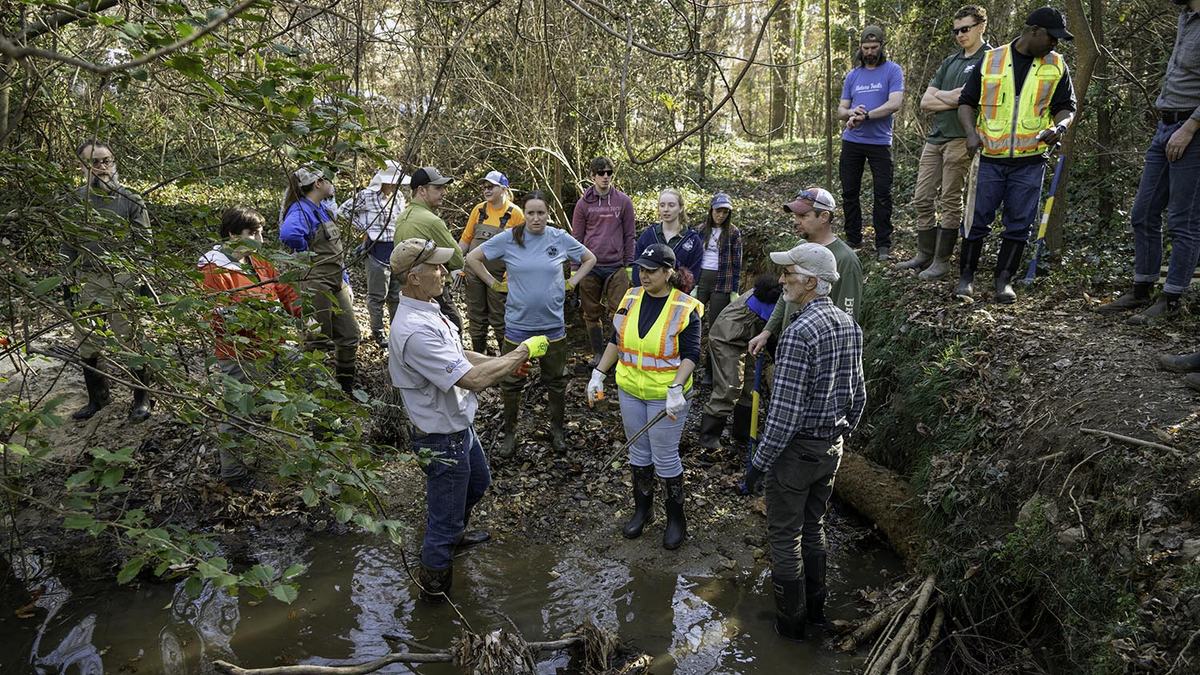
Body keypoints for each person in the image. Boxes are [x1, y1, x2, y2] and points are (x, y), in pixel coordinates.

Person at [388, 238, 550, 601]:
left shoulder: (428, 309)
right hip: (440, 437)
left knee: (478, 481)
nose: (444, 272)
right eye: (435, 267)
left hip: (458, 426)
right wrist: (520, 352)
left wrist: (503, 362)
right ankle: (433, 596)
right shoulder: (414, 330)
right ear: (414, 277)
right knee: (442, 524)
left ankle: (453, 533)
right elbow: (472, 379)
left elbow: (458, 355)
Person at [741, 243, 865, 642]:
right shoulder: (849, 325)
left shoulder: (798, 333)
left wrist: (758, 465)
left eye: (788, 274)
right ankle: (816, 614)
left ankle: (790, 628)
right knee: (814, 526)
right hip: (831, 448)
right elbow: (859, 394)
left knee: (784, 535)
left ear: (811, 282)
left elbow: (785, 415)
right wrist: (840, 435)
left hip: (796, 452)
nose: (781, 280)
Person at [955, 6, 1076, 303]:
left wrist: (1059, 127)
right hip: (990, 157)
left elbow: (1066, 107)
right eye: (1051, 37)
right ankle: (966, 278)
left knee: (1020, 224)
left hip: (1031, 160)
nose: (1054, 44)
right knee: (975, 220)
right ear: (1033, 31)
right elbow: (966, 102)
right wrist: (971, 133)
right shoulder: (991, 59)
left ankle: (1004, 281)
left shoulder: (1056, 65)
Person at [586, 244, 702, 551]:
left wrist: (677, 387)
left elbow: (691, 354)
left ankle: (676, 519)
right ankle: (643, 510)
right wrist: (599, 373)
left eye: (651, 270)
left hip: (666, 396)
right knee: (638, 452)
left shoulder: (685, 307)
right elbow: (616, 340)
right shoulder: (631, 297)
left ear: (668, 272)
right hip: (630, 390)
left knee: (665, 456)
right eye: (641, 269)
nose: (644, 275)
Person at [465, 190, 596, 456]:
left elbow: (589, 258)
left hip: (552, 326)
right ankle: (510, 434)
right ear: (523, 214)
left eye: (541, 213)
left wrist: (572, 282)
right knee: (511, 381)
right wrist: (493, 283)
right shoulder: (510, 238)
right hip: (518, 325)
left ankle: (557, 431)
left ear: (548, 213)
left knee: (556, 381)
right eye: (531, 213)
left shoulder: (559, 237)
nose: (536, 218)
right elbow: (472, 257)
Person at [1097, 0, 1200, 325]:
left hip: (1192, 130)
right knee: (1143, 213)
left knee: (1183, 221)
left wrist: (1190, 127)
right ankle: (1142, 289)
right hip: (1165, 125)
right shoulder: (1186, 17)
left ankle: (1172, 300)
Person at [198, 207, 301, 486]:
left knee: (302, 385)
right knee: (239, 412)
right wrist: (262, 316)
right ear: (233, 235)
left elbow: (281, 289)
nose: (260, 239)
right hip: (240, 354)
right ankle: (233, 474)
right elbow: (219, 316)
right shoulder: (213, 269)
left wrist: (304, 309)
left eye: (261, 232)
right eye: (253, 233)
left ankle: (298, 451)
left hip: (274, 344)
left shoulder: (258, 261)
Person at [62, 140, 155, 422]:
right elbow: (68, 245)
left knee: (130, 339)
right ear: (82, 166)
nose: (102, 167)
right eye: (95, 162)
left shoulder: (130, 199)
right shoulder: (74, 201)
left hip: (122, 278)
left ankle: (142, 399)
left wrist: (142, 280)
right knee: (87, 341)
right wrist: (67, 282)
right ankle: (98, 399)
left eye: (107, 161)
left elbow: (144, 243)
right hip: (86, 278)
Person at [897, 5, 990, 279]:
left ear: (981, 26)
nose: (960, 35)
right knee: (922, 197)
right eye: (956, 31)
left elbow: (974, 98)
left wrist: (946, 96)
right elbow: (925, 102)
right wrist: (955, 97)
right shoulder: (950, 61)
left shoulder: (991, 59)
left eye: (965, 29)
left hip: (962, 137)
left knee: (950, 199)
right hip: (936, 137)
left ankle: (941, 260)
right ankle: (924, 254)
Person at [747, 188, 864, 359]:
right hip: (790, 344)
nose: (796, 221)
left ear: (824, 217)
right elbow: (785, 296)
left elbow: (848, 317)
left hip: (818, 355)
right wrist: (767, 331)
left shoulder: (846, 260)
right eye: (795, 216)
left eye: (803, 216)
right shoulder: (801, 247)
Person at [279, 165, 360, 394]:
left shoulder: (321, 208)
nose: (333, 183)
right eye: (328, 179)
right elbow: (289, 234)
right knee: (317, 340)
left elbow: (335, 250)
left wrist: (345, 280)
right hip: (314, 283)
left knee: (350, 335)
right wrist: (306, 256)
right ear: (318, 183)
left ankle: (345, 389)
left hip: (336, 282)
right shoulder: (300, 210)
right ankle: (314, 395)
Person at [838, 24, 905, 261]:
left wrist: (866, 116)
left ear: (881, 46)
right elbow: (841, 109)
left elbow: (894, 103)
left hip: (880, 142)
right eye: (865, 48)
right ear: (860, 47)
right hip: (852, 142)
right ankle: (853, 239)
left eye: (874, 47)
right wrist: (852, 113)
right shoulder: (853, 75)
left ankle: (883, 243)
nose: (869, 52)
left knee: (883, 194)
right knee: (849, 192)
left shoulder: (892, 71)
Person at [698, 274, 782, 449]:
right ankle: (708, 437)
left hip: (746, 339)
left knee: (749, 386)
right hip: (726, 338)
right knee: (730, 386)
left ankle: (743, 432)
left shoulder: (772, 295)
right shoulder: (772, 303)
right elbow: (772, 335)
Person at [571, 157, 637, 368]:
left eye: (609, 172)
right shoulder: (583, 204)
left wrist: (629, 265)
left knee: (620, 312)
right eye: (601, 173)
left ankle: (618, 355)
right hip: (589, 266)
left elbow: (630, 235)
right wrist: (574, 269)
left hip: (616, 265)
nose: (606, 176)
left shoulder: (623, 201)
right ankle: (599, 354)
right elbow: (576, 238)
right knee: (591, 313)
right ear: (593, 176)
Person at [339, 161, 408, 349]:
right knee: (377, 296)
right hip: (376, 249)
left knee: (396, 295)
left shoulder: (399, 196)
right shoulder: (367, 195)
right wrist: (366, 227)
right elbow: (343, 210)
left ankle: (397, 330)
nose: (394, 184)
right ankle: (378, 331)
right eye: (391, 181)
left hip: (397, 250)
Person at [459, 170, 524, 353]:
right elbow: (465, 240)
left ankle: (507, 361)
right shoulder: (478, 210)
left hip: (499, 276)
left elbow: (522, 249)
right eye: (484, 187)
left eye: (491, 186)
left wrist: (510, 274)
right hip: (473, 272)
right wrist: (455, 263)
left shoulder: (516, 214)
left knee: (499, 316)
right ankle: (479, 358)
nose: (486, 190)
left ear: (503, 189)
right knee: (476, 316)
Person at [394, 166, 465, 330]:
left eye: (444, 188)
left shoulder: (402, 217)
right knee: (454, 327)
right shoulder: (431, 221)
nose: (444, 192)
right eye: (438, 188)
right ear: (421, 190)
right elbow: (457, 259)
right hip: (432, 289)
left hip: (408, 291)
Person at [631, 189, 703, 286]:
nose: (666, 209)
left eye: (671, 205)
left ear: (681, 208)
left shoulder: (692, 240)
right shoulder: (648, 235)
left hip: (677, 293)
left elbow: (693, 275)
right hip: (648, 291)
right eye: (662, 205)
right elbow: (637, 268)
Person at [693, 192, 743, 324]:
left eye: (725, 212)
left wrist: (734, 290)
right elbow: (693, 258)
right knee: (693, 316)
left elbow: (737, 263)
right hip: (701, 279)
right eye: (718, 211)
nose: (721, 215)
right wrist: (692, 283)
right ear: (711, 210)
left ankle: (711, 338)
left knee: (716, 321)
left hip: (723, 281)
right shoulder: (700, 230)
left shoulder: (733, 232)